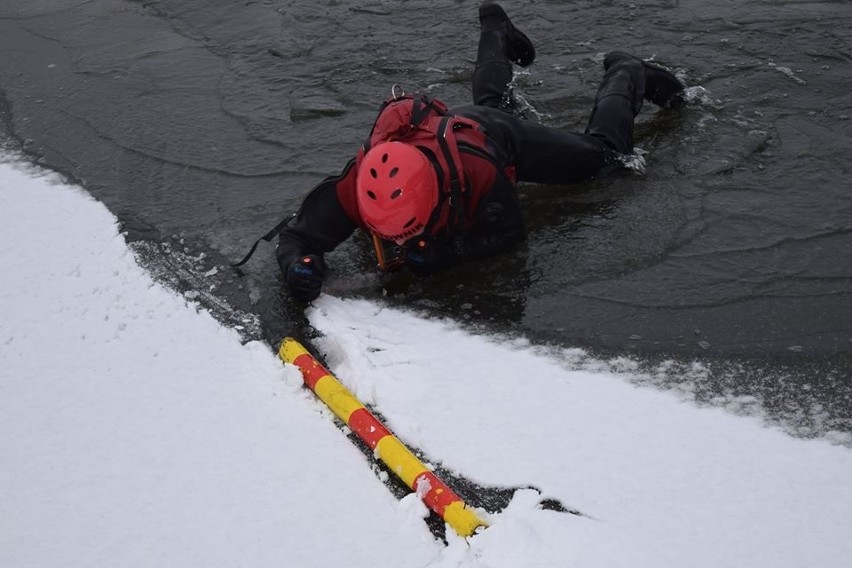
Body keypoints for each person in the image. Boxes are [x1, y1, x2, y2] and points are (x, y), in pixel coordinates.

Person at [273, 2, 685, 302]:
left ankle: (627, 70)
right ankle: (496, 33)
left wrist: (447, 254)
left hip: (494, 140)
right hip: (457, 128)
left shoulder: (479, 173)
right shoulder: (358, 184)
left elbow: (510, 233)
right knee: (489, 104)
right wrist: (298, 268)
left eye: (409, 231)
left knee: (609, 160)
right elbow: (298, 236)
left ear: (433, 197)